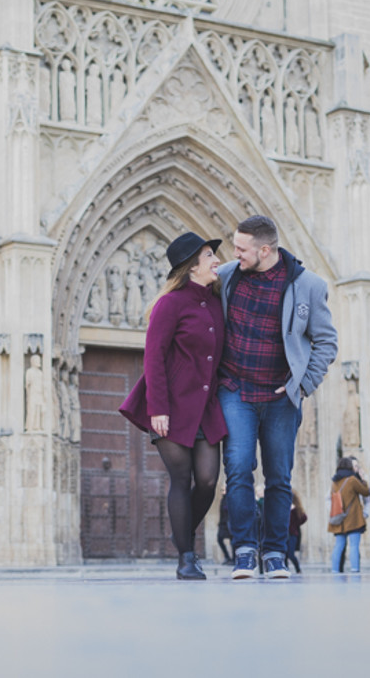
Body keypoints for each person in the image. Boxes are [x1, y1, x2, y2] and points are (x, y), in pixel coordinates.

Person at [217, 215, 338, 579]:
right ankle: (244, 551)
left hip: (280, 397)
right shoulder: (226, 276)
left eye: (241, 248)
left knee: (279, 477)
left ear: (265, 250)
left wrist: (303, 384)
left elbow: (326, 341)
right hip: (236, 391)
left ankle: (274, 553)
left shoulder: (309, 286)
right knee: (238, 468)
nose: (234, 254)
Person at [120, 232, 229, 580]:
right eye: (209, 255)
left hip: (207, 408)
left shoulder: (217, 302)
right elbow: (154, 358)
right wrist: (158, 409)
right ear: (192, 266)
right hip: (172, 406)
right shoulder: (170, 304)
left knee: (208, 481)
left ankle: (181, 532)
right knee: (181, 479)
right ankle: (186, 557)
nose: (217, 260)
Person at [328, 457, 369, 573]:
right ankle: (354, 569)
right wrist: (363, 479)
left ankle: (335, 570)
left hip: (339, 518)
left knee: (338, 545)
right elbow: (366, 492)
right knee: (354, 545)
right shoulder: (352, 480)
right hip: (353, 518)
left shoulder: (334, 482)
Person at [286, 489, 307, 574]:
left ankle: (298, 569)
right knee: (284, 554)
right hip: (283, 534)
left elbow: (304, 518)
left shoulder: (295, 508)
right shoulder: (283, 506)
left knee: (290, 554)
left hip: (292, 534)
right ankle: (285, 570)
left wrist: (295, 524)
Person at [217, 482, 233, 565]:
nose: (223, 491)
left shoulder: (230, 498)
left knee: (232, 541)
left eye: (224, 490)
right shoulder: (223, 499)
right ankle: (227, 557)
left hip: (229, 523)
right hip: (223, 523)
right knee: (220, 539)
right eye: (222, 490)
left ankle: (233, 559)